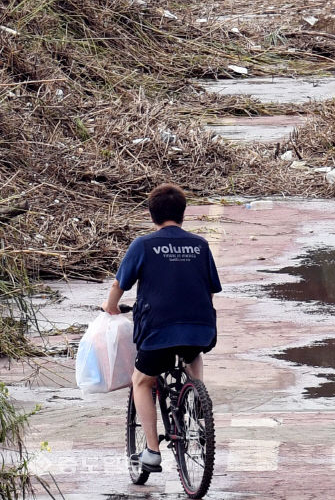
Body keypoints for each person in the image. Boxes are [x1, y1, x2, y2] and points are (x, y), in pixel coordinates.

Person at [102, 183, 222, 473]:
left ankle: (153, 451)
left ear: (152, 215)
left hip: (158, 332)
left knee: (141, 380)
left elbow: (120, 283)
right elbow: (211, 290)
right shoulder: (200, 245)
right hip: (199, 330)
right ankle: (196, 401)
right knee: (193, 355)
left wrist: (110, 308)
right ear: (182, 214)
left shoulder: (143, 245)